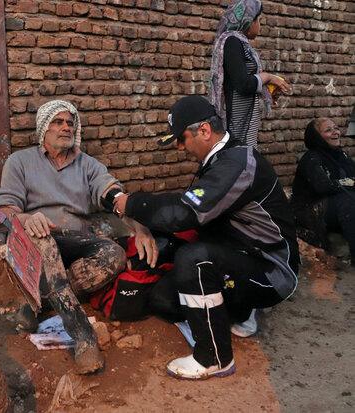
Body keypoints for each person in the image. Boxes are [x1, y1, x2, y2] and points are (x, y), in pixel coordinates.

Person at [113, 95, 299, 379]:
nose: (179, 146)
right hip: (241, 257)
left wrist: (133, 204)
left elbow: (185, 211)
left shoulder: (237, 163)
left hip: (271, 271)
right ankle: (240, 311)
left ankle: (213, 356)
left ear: (203, 131)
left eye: (182, 138)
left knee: (193, 259)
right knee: (163, 298)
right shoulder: (223, 160)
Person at [0, 100, 150, 374]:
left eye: (70, 123)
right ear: (43, 128)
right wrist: (29, 218)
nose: (66, 127)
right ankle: (82, 335)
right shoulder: (20, 162)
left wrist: (138, 226)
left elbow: (109, 189)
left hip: (77, 239)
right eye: (58, 122)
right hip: (37, 240)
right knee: (44, 241)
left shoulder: (87, 164)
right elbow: (5, 210)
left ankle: (37, 304)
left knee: (113, 254)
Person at [208, 0, 291, 148]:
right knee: (238, 157)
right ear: (248, 21)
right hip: (236, 119)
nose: (260, 25)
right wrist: (268, 77)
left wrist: (267, 89)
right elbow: (243, 84)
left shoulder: (239, 43)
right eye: (259, 21)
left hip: (243, 118)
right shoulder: (232, 41)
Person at [292, 119, 355, 265]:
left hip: (335, 208)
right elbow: (324, 187)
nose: (335, 132)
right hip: (312, 211)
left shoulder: (341, 155)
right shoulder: (311, 158)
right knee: (349, 201)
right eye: (328, 130)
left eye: (336, 128)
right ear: (316, 137)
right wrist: (350, 182)